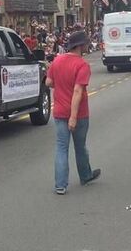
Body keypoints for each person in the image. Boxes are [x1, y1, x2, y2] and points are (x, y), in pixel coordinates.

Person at [46, 31, 101, 195]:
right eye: (85, 43)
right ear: (80, 46)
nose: (86, 46)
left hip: (59, 111)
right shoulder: (82, 65)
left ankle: (60, 185)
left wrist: (61, 85)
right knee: (80, 147)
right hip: (79, 113)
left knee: (61, 148)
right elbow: (77, 91)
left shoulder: (57, 60)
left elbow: (48, 82)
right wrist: (74, 116)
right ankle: (85, 175)